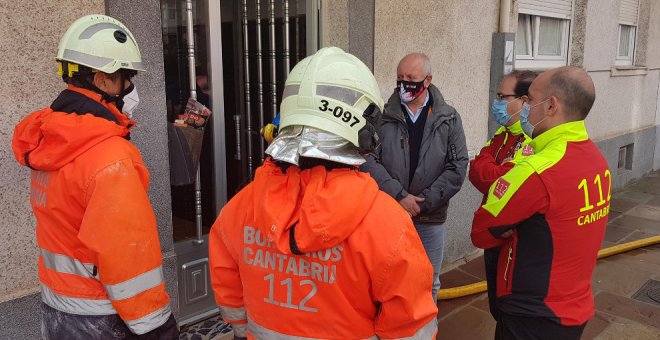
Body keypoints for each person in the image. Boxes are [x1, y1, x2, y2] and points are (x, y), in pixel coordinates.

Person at [209, 47, 438, 339]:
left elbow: (228, 284)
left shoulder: (242, 205)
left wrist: (243, 330)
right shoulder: (387, 223)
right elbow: (410, 326)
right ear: (364, 123)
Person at [12, 15, 177, 339]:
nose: (131, 88)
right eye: (126, 78)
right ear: (102, 80)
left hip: (57, 308)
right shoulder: (109, 158)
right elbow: (128, 256)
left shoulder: (52, 139)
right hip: (102, 317)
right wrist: (156, 325)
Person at [471, 66, 609, 340]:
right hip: (574, 306)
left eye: (529, 100)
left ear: (551, 106)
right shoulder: (597, 160)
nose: (524, 107)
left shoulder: (536, 171)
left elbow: (481, 230)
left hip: (531, 313)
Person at [362, 52, 468, 299]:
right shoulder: (381, 116)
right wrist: (399, 196)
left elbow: (457, 165)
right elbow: (367, 158)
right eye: (400, 78)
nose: (404, 84)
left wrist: (422, 203)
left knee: (428, 282)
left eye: (411, 78)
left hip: (429, 217)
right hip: (389, 213)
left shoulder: (449, 118)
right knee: (386, 281)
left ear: (428, 80)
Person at [468, 70, 537, 319]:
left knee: (510, 312)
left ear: (525, 101)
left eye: (502, 97)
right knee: (496, 309)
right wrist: (497, 170)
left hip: (513, 243)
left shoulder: (531, 139)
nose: (496, 103)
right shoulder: (502, 133)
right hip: (492, 236)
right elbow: (475, 171)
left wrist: (494, 171)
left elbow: (507, 186)